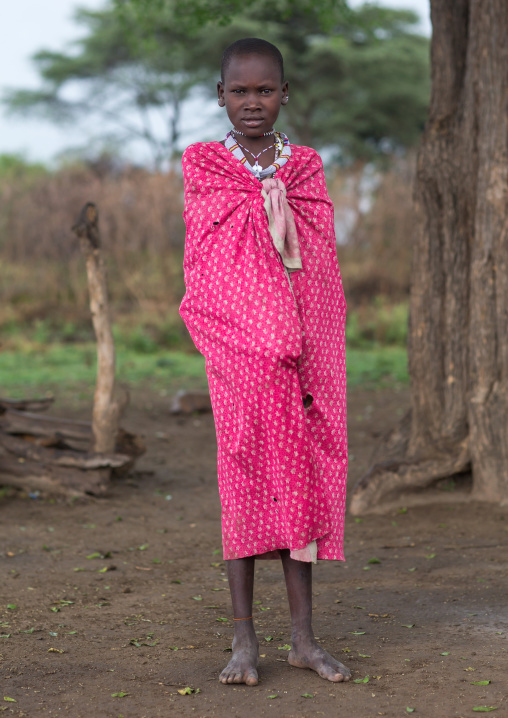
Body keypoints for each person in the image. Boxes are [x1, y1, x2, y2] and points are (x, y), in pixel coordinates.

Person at [180, 37, 349, 687]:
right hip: (240, 354)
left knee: (301, 482)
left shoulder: (305, 167)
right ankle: (244, 640)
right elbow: (208, 266)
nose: (254, 103)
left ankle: (305, 639)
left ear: (286, 94)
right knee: (246, 484)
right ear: (220, 96)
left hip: (304, 357)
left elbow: (320, 272)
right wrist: (251, 336)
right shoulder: (203, 164)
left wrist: (309, 344)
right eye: (240, 91)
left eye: (266, 90)